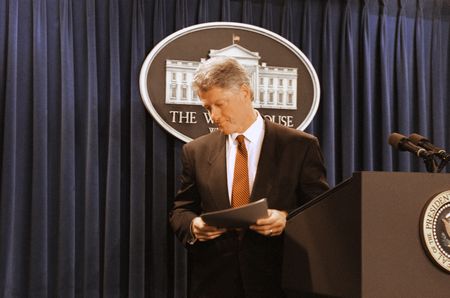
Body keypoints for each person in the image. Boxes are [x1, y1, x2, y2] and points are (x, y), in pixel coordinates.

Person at [169, 56, 329, 298]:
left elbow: (322, 211)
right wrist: (193, 225)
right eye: (207, 107)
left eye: (220, 104)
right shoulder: (196, 151)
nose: (213, 116)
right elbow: (181, 210)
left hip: (280, 281)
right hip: (215, 283)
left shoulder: (299, 146)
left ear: (245, 92)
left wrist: (287, 219)